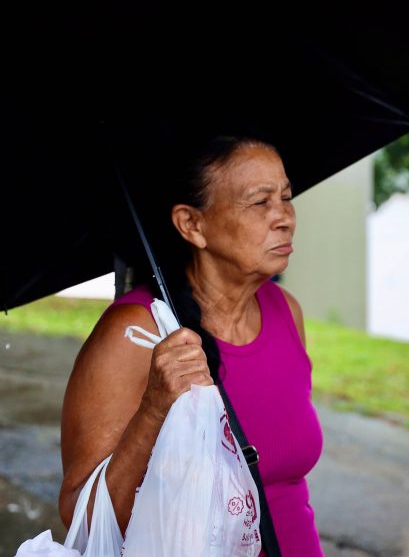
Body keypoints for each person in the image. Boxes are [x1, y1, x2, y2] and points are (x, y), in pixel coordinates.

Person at [58, 137, 324, 556]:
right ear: (191, 224)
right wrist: (154, 408)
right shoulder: (134, 332)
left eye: (286, 197)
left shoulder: (285, 311)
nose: (285, 218)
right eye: (260, 202)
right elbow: (83, 519)